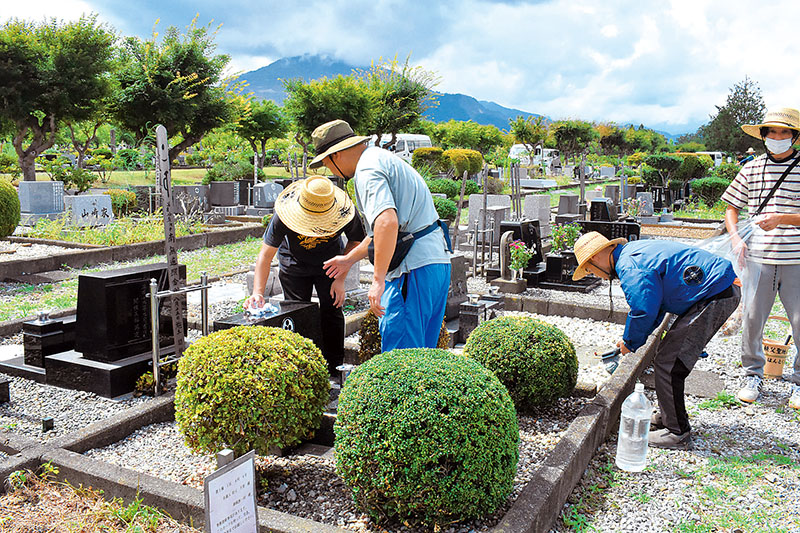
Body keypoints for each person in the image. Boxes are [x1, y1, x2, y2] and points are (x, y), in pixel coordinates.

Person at [573, 232, 740, 449]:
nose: (595, 274)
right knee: (668, 357)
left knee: (669, 364)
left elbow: (643, 309)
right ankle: (669, 415)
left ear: (595, 258)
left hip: (714, 293)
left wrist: (630, 342)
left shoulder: (630, 266)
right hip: (716, 289)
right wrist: (629, 341)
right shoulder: (632, 254)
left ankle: (677, 432)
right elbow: (656, 306)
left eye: (589, 269)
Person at [307, 119, 451, 352]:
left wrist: (377, 280)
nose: (330, 171)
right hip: (435, 261)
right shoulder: (381, 158)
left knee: (402, 362)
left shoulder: (367, 171)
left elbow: (386, 222)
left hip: (411, 269)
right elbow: (380, 232)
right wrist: (349, 259)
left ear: (337, 155)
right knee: (425, 358)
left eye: (326, 164)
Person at [244, 175, 365, 377]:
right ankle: (301, 369)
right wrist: (258, 293)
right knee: (296, 314)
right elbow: (265, 256)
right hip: (293, 265)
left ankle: (334, 367)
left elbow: (356, 241)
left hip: (331, 264)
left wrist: (340, 278)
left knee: (333, 311)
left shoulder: (345, 211)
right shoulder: (283, 215)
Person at [721, 107, 800, 409]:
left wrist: (783, 217)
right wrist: (735, 237)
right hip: (758, 255)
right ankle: (752, 374)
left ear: (794, 136)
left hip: (796, 259)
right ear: (764, 135)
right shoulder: (751, 168)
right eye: (772, 132)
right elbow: (732, 207)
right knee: (753, 318)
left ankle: (799, 380)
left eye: (784, 132)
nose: (778, 137)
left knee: (799, 321)